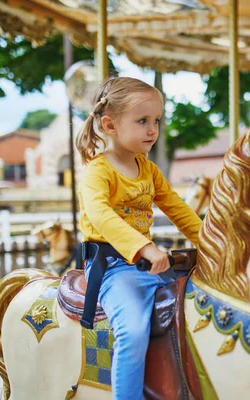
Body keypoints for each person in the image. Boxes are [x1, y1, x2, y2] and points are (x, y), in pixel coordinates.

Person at [75, 77, 202, 399]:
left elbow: (176, 208)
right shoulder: (97, 171)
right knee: (131, 331)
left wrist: (211, 241)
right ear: (110, 124)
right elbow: (102, 216)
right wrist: (143, 247)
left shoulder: (147, 169)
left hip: (148, 266)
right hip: (113, 268)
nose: (152, 129)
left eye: (156, 121)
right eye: (142, 121)